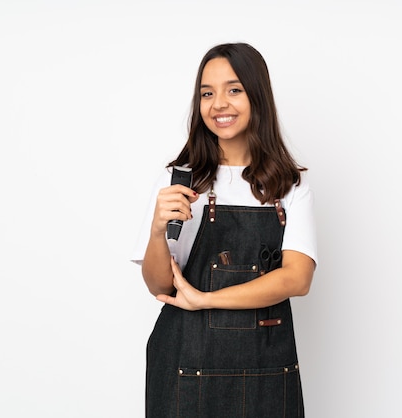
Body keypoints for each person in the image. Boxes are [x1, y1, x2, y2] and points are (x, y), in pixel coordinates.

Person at [131, 42, 317, 417]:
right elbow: (159, 286)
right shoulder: (180, 179)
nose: (219, 104)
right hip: (185, 363)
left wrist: (206, 299)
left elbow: (297, 279)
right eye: (207, 93)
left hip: (266, 368)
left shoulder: (289, 184)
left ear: (257, 97)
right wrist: (156, 231)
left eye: (234, 90)